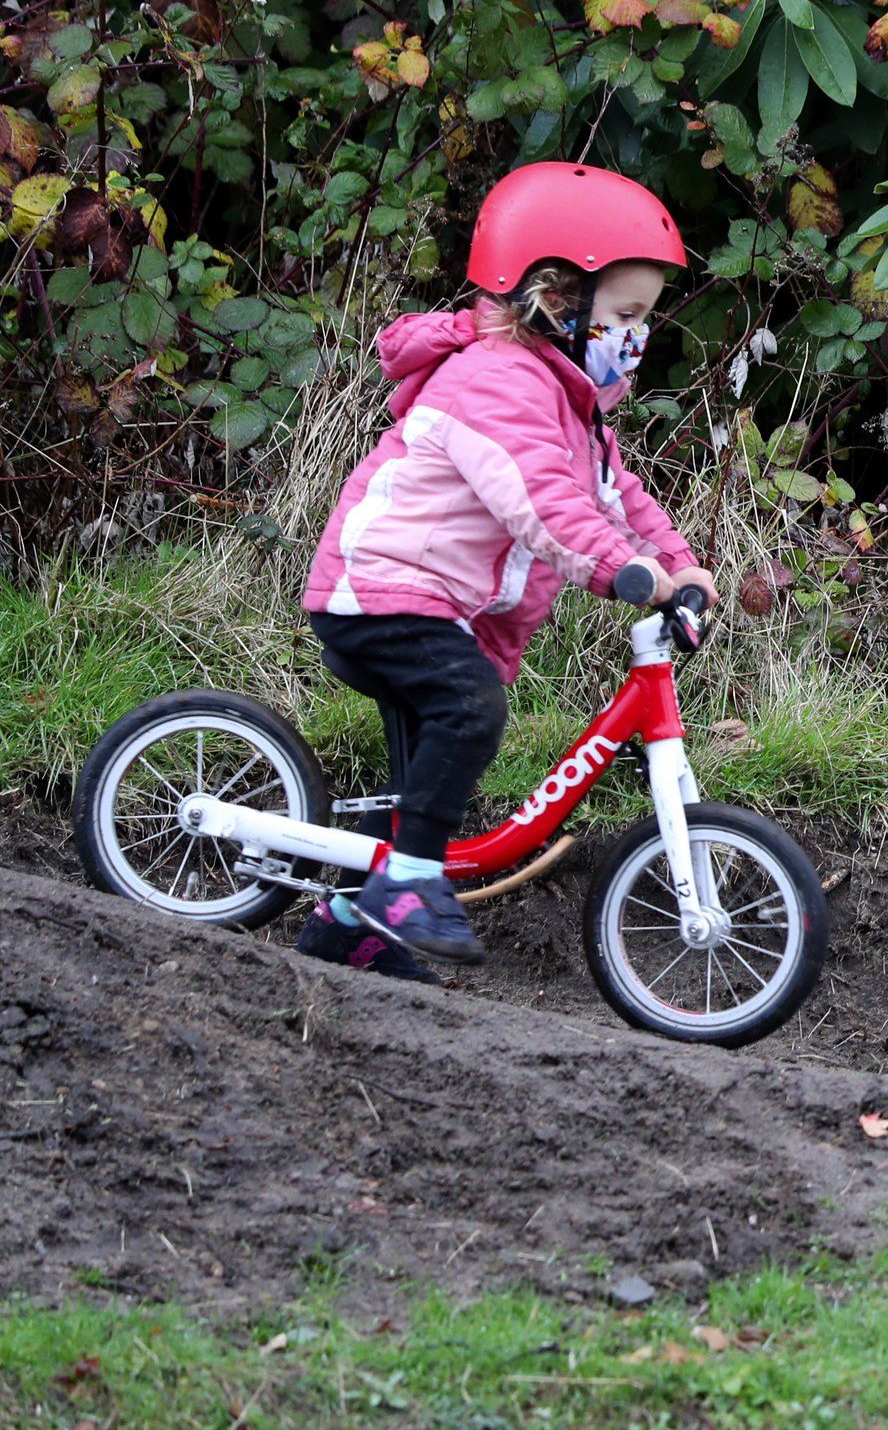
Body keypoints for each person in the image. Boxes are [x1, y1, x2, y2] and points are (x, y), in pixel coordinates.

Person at [290, 162, 717, 980]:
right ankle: (408, 888)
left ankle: (353, 923)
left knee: (426, 779)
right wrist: (616, 570)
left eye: (645, 318)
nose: (637, 335)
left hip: (439, 605)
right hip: (385, 590)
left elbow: (613, 494)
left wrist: (678, 562)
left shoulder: (568, 399)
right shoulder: (500, 381)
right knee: (468, 708)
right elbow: (543, 503)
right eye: (626, 315)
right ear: (556, 299)